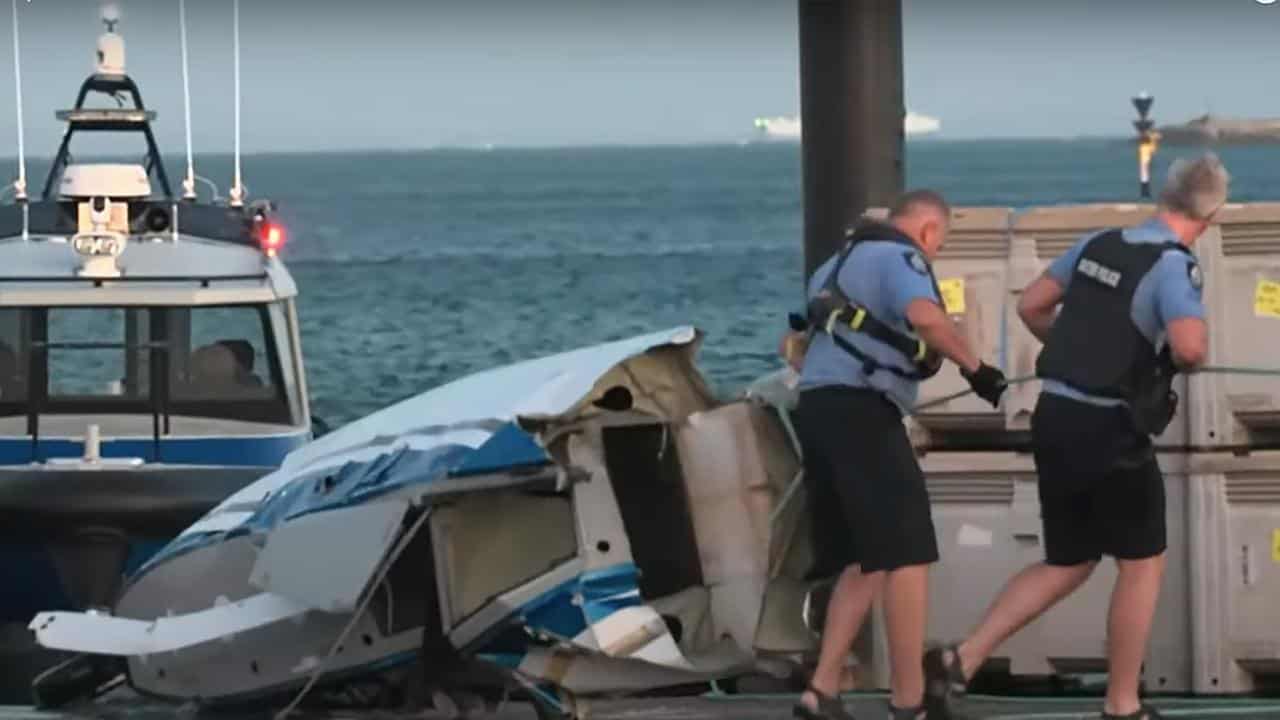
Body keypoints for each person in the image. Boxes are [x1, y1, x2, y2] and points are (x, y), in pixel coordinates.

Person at [922, 153, 1226, 720]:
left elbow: (1032, 305)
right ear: (1210, 216)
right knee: (1143, 562)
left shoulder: (1097, 244)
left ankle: (960, 661)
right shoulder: (1174, 266)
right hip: (1110, 428)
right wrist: (1179, 356)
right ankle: (1121, 705)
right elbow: (1188, 347)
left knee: (1070, 560)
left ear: (1165, 197)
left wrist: (1081, 346)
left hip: (1055, 415)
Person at [789, 189, 1008, 720]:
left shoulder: (831, 267)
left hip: (818, 411)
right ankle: (909, 702)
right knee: (909, 553)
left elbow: (791, 346)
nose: (934, 254)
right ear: (929, 231)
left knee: (867, 558)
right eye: (940, 245)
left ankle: (821, 691)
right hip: (863, 413)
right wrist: (979, 371)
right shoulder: (900, 256)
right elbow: (927, 319)